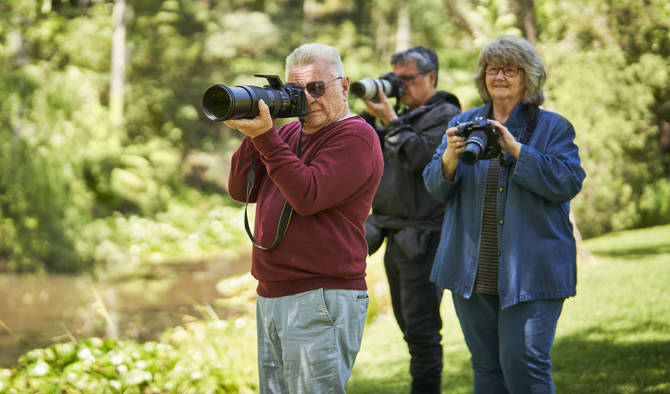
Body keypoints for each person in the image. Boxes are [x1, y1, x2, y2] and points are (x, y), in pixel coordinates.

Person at [422, 36, 586, 393]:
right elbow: (435, 188)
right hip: (472, 272)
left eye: (509, 69)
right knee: (486, 368)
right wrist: (450, 156)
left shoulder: (553, 127)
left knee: (524, 364)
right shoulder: (464, 122)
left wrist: (517, 150)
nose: (499, 76)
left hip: (531, 271)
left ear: (528, 77)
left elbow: (568, 181)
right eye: (492, 68)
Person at [224, 43, 384, 393]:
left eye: (317, 88)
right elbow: (241, 190)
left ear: (343, 86)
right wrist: (254, 131)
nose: (308, 99)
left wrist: (266, 137)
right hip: (273, 294)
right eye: (297, 90)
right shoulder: (288, 133)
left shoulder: (356, 137)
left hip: (321, 296)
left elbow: (308, 196)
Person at [359, 46, 461, 394]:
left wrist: (391, 119)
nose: (399, 86)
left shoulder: (447, 115)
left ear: (431, 77)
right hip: (394, 235)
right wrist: (373, 117)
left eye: (407, 79)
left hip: (425, 241)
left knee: (422, 332)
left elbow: (423, 162)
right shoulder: (403, 116)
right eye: (394, 78)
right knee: (409, 328)